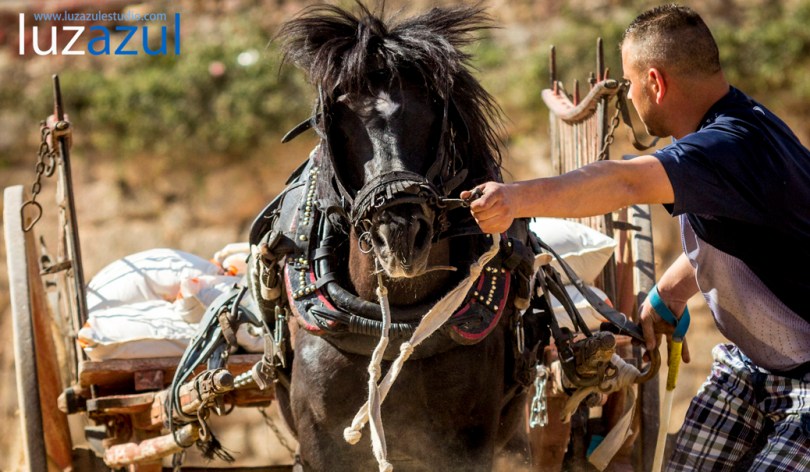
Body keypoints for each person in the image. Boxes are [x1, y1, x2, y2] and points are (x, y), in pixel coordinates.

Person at [461, 4, 810, 470]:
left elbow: (625, 183)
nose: (628, 98)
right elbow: (745, 237)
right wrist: (669, 293)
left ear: (655, 83)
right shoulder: (735, 129)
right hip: (752, 367)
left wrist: (514, 200)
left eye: (628, 86)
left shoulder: (730, 146)